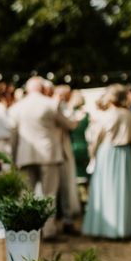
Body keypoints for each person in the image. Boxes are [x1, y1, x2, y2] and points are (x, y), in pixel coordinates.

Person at [9, 76, 75, 239]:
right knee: (49, 194)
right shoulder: (50, 104)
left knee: (26, 195)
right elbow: (69, 124)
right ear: (42, 88)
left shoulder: (17, 107)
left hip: (24, 156)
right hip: (49, 155)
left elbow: (13, 136)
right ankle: (49, 230)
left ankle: (28, 229)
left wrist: (13, 158)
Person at [82, 84, 131, 239]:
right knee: (123, 191)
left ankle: (104, 228)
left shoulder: (106, 115)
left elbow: (96, 138)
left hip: (107, 153)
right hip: (125, 154)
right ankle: (123, 229)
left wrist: (92, 155)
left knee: (104, 190)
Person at [54, 85, 81, 234]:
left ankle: (65, 220)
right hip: (59, 152)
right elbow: (71, 124)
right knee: (62, 187)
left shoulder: (59, 106)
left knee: (64, 187)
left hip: (59, 151)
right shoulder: (55, 106)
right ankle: (65, 220)